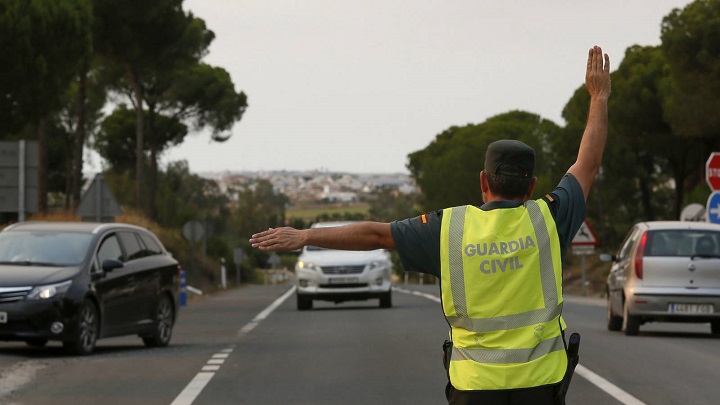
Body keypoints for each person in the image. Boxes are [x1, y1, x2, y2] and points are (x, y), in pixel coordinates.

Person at [250, 45, 611, 405]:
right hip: (540, 387)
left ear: (483, 181)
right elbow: (589, 161)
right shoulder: (549, 217)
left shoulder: (448, 228)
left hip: (473, 389)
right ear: (531, 186)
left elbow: (375, 234)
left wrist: (305, 236)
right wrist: (598, 97)